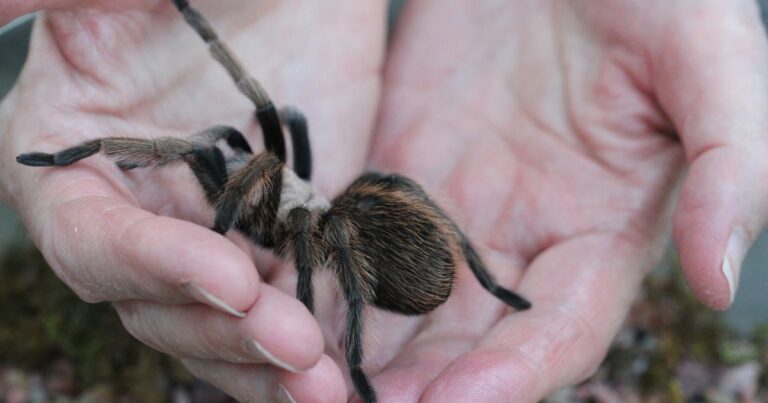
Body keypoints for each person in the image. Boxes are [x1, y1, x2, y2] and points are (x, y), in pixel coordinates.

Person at [1, 0, 766, 401]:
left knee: (314, 162)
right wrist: (102, 150)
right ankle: (85, 154)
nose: (240, 164)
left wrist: (316, 318)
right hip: (334, 219)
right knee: (253, 153)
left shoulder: (312, 215)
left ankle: (356, 356)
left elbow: (275, 164)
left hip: (362, 243)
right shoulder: (289, 182)